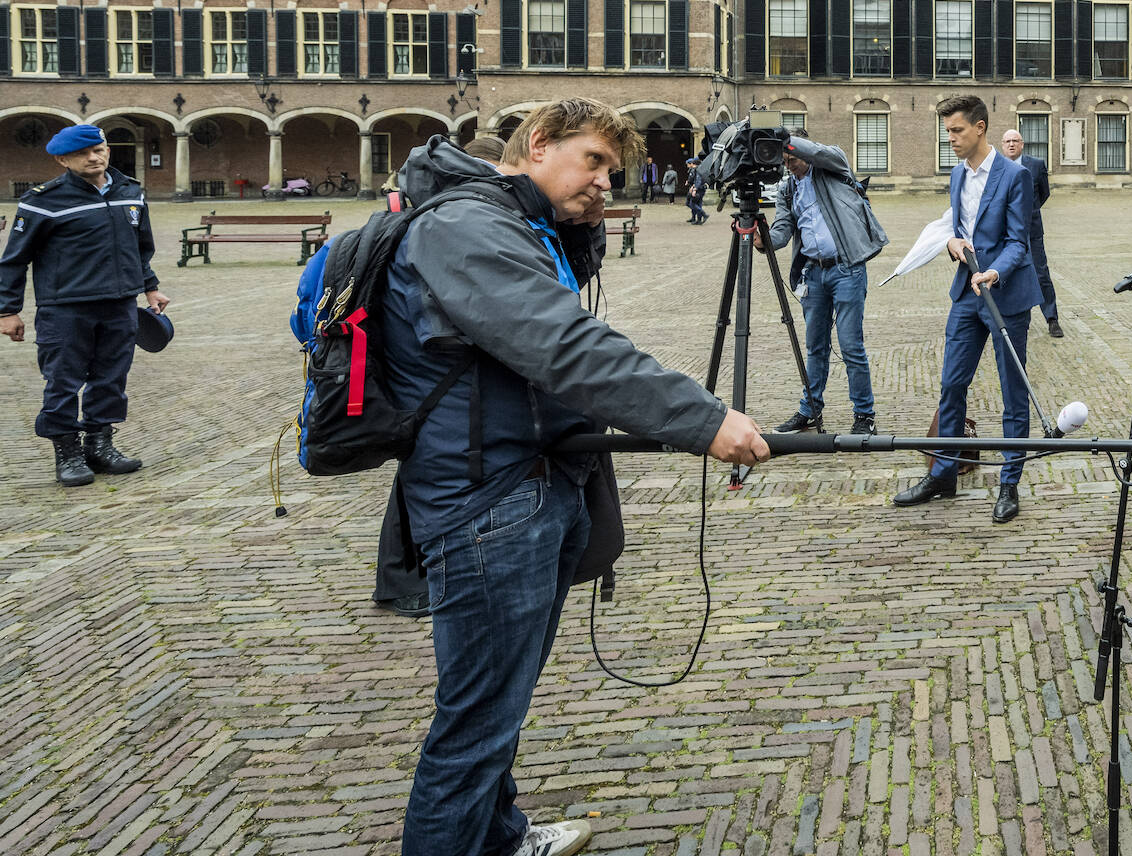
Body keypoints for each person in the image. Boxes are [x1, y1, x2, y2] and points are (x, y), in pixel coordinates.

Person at [386, 99, 769, 856]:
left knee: (499, 706)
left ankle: (497, 837)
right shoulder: (465, 227)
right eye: (591, 162)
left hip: (524, 481)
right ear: (538, 145)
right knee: (473, 724)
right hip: (486, 500)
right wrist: (700, 419)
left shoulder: (513, 222)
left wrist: (574, 227)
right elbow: (563, 346)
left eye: (612, 171)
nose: (604, 182)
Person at [374, 131, 511, 619]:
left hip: (435, 371)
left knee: (422, 475)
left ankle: (410, 577)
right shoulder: (439, 220)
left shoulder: (430, 211)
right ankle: (401, 580)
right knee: (421, 477)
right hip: (432, 370)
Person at [894, 95, 1041, 524]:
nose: (951, 139)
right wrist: (951, 243)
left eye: (957, 131)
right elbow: (956, 229)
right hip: (965, 294)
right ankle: (943, 474)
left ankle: (1009, 483)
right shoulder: (957, 175)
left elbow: (1019, 242)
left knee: (1013, 393)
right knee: (951, 386)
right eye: (947, 132)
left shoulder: (1015, 176)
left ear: (980, 127)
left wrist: (993, 273)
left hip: (1006, 296)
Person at [0, 123, 169, 487]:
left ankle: (99, 445)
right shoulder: (42, 200)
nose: (94, 157)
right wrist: (7, 309)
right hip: (66, 308)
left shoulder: (131, 192)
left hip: (120, 304)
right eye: (82, 153)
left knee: (111, 379)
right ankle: (67, 452)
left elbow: (141, 248)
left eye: (99, 149)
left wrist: (150, 288)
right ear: (63, 160)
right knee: (62, 381)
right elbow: (15, 259)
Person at [757, 131, 889, 435]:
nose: (787, 163)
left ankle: (864, 414)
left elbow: (818, 151)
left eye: (790, 157)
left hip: (846, 268)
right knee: (815, 346)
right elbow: (781, 231)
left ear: (801, 149)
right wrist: (760, 239)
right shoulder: (787, 189)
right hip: (813, 274)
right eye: (783, 159)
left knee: (851, 345)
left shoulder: (832, 165)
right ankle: (810, 409)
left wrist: (781, 137)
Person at [999, 129, 1063, 338]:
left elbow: (1044, 193)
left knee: (1041, 273)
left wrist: (1030, 212)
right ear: (1002, 145)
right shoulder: (996, 166)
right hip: (1005, 231)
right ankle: (1007, 318)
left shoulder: (1036, 164)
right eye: (1007, 141)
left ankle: (1052, 318)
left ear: (1022, 144)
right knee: (1005, 273)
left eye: (1015, 141)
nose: (1011, 145)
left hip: (1032, 229)